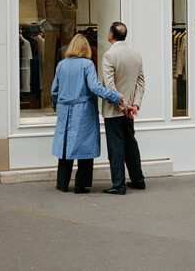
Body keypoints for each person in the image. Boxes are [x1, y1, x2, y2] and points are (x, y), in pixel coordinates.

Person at [51, 34, 123, 193]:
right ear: (86, 48)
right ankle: (81, 185)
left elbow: (54, 90)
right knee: (85, 145)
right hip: (83, 109)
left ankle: (62, 183)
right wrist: (115, 97)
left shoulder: (61, 65)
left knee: (64, 145)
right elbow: (95, 87)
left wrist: (57, 107)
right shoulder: (87, 64)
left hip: (65, 109)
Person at [102, 22, 146, 195]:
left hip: (115, 110)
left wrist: (123, 106)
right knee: (130, 144)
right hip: (129, 110)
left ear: (112, 35)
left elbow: (109, 85)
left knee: (116, 147)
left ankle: (118, 184)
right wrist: (134, 105)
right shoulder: (136, 54)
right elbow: (141, 82)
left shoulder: (109, 55)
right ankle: (138, 179)